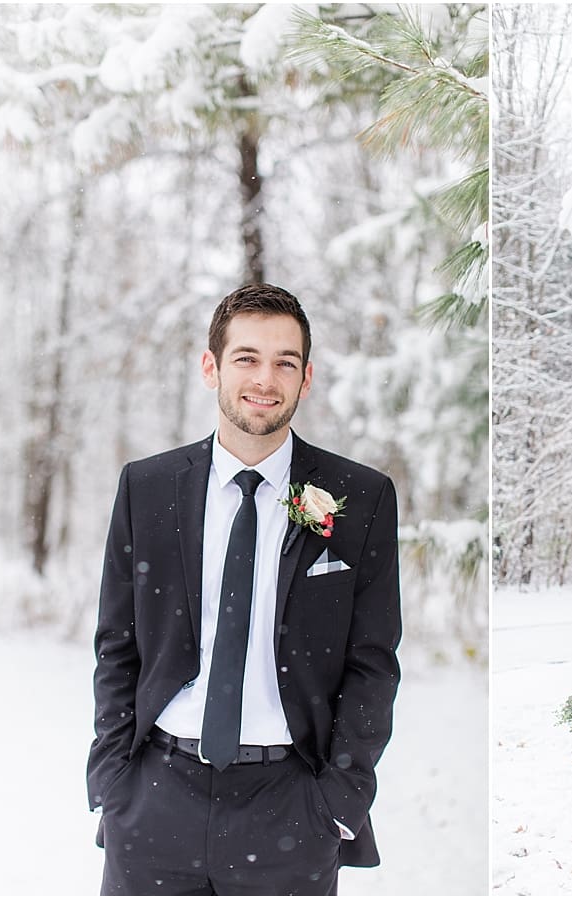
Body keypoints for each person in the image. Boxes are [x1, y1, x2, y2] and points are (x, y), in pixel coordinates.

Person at [86, 283, 401, 895]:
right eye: (246, 358)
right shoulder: (147, 488)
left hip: (291, 806)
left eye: (286, 361)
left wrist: (339, 797)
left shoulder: (361, 498)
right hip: (154, 800)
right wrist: (112, 780)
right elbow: (116, 644)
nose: (266, 378)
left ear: (306, 378)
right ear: (212, 367)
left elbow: (373, 663)